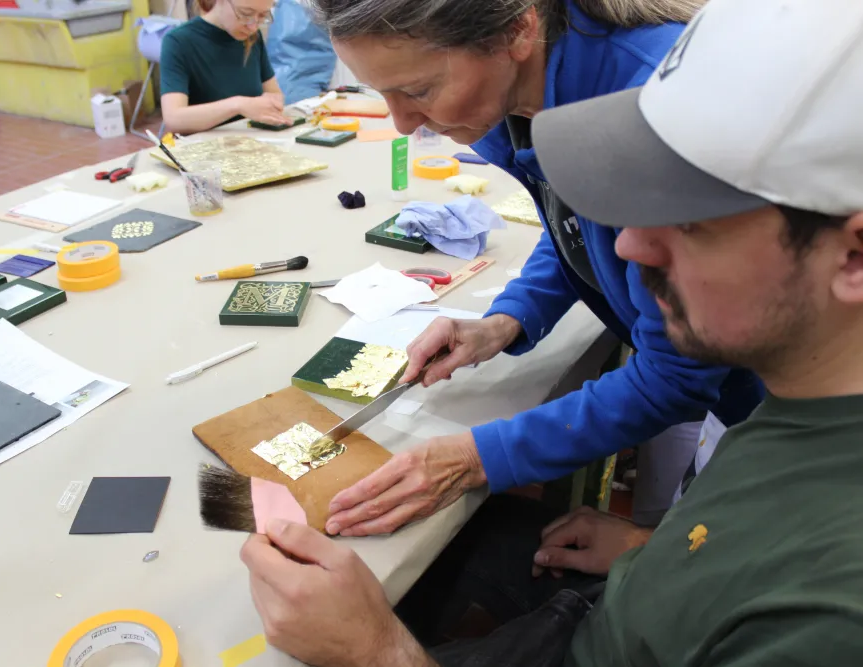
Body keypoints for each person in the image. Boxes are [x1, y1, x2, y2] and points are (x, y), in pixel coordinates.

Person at [239, 0, 863, 665]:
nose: (625, 245)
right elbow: (580, 228)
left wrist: (378, 653)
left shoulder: (826, 604)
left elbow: (677, 377)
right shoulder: (799, 411)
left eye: (689, 224)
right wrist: (659, 544)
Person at [314, 0, 764, 539]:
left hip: (784, 414)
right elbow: (577, 220)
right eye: (379, 94)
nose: (403, 124)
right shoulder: (530, 84)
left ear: (517, 29)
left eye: (418, 90)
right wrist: (509, 318)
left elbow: (678, 375)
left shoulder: (657, 111)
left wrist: (478, 456)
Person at [160, 0, 290, 133]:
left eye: (262, 16)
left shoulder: (253, 38)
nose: (253, 27)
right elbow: (173, 119)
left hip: (250, 143)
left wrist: (273, 102)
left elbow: (274, 93)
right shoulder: (179, 41)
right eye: (246, 14)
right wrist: (237, 105)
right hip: (203, 148)